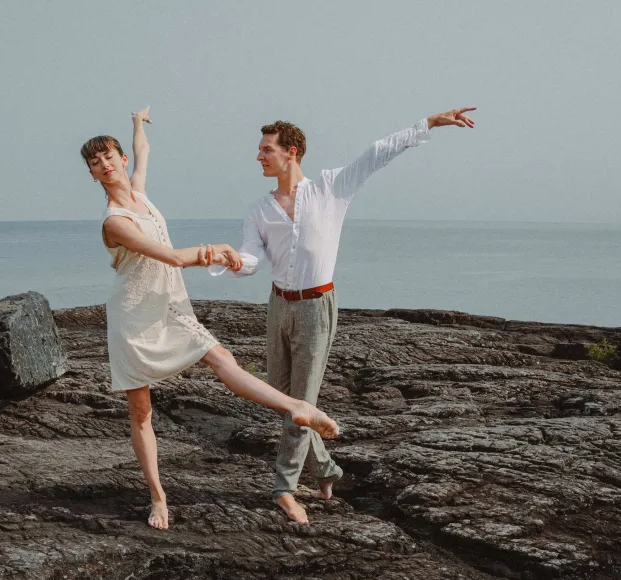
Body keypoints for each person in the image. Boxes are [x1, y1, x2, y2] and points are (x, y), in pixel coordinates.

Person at [209, 107, 476, 524]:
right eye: (259, 150)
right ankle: (329, 470)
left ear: (291, 152)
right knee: (283, 398)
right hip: (278, 305)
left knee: (302, 403)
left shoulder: (331, 186)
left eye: (266, 149)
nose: (258, 156)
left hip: (317, 307)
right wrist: (230, 261)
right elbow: (252, 258)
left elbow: (377, 153)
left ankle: (285, 489)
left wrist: (429, 124)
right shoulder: (259, 208)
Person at [81, 106, 340, 531]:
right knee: (142, 412)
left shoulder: (140, 193)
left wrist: (136, 125)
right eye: (95, 163)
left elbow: (143, 152)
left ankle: (297, 407)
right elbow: (169, 256)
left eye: (109, 156)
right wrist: (215, 250)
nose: (105, 164)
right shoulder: (115, 221)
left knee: (222, 359)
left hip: (169, 304)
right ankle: (159, 498)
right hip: (134, 315)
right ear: (92, 174)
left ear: (121, 159)